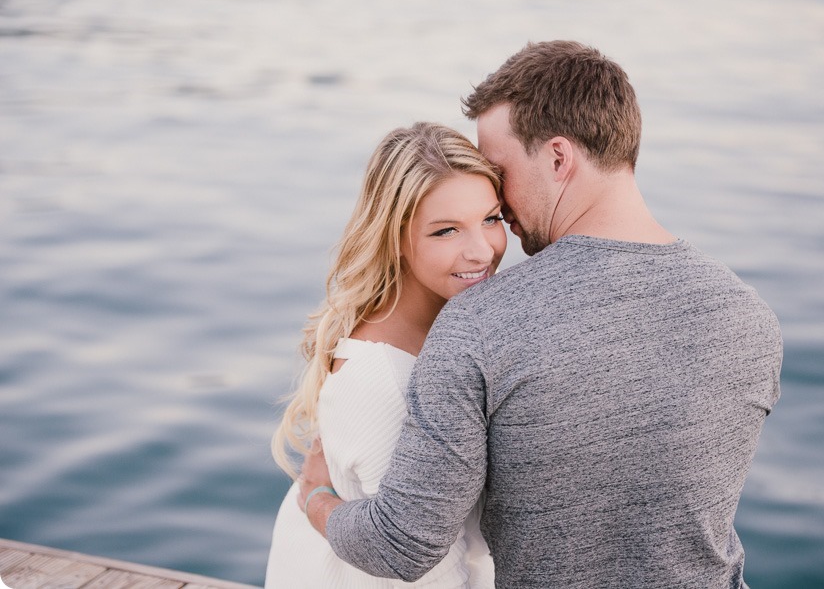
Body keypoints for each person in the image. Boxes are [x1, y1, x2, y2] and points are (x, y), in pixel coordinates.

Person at [299, 41, 784, 588]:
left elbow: (402, 546)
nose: (500, 204)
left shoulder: (480, 325)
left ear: (558, 158)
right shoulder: (750, 318)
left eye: (499, 171)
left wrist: (316, 498)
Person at [265, 122, 505, 588]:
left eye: (491, 219)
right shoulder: (382, 379)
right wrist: (317, 499)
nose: (482, 251)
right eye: (446, 231)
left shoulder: (449, 327)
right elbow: (430, 578)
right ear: (395, 237)